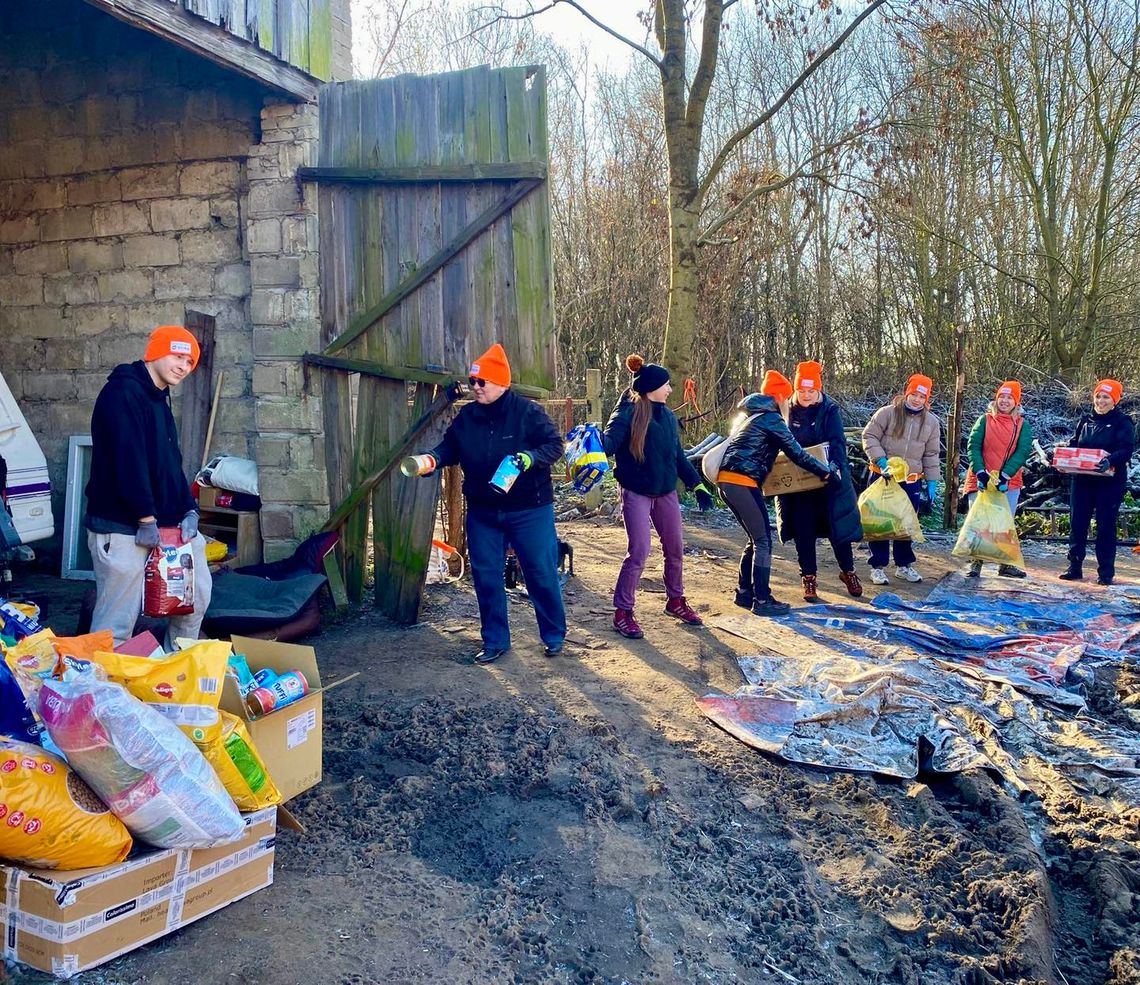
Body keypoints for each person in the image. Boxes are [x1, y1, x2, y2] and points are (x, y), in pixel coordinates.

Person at [408, 342, 567, 663]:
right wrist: (431, 460)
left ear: (502, 383)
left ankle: (554, 635)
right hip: (483, 511)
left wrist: (529, 457)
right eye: (473, 381)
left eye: (483, 382)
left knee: (540, 571)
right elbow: (449, 448)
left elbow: (555, 445)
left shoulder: (527, 413)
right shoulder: (468, 417)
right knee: (486, 575)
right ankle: (495, 640)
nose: (476, 387)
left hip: (529, 509)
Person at [84, 325, 211, 649]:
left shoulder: (159, 398)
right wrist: (145, 518)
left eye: (189, 362)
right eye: (178, 356)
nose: (183, 366)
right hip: (124, 526)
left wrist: (188, 509)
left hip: (166, 524)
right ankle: (107, 692)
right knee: (117, 622)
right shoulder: (122, 393)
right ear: (155, 352)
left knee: (194, 597)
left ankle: (174, 671)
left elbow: (168, 463)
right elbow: (128, 460)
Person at [603, 354, 712, 640]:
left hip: (665, 492)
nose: (671, 389)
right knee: (639, 551)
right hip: (636, 491)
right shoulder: (628, 411)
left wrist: (696, 484)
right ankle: (622, 612)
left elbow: (677, 455)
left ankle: (675, 601)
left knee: (675, 548)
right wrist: (593, 443)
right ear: (652, 387)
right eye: (666, 384)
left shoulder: (667, 415)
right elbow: (609, 442)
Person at [715, 371, 837, 616]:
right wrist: (825, 472)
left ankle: (744, 593)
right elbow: (797, 453)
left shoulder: (751, 417)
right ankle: (762, 600)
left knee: (755, 538)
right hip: (742, 482)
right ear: (780, 397)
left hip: (729, 483)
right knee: (763, 541)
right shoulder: (771, 419)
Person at [776, 360, 864, 602]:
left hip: (827, 479)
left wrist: (834, 467)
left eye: (811, 391)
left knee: (839, 529)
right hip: (797, 484)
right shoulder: (784, 410)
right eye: (801, 391)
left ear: (819, 390)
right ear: (794, 390)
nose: (806, 396)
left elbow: (838, 443)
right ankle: (809, 578)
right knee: (803, 530)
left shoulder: (830, 410)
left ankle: (848, 572)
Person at [861, 373, 941, 585]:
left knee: (905, 523)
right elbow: (869, 436)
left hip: (911, 479)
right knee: (880, 522)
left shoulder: (931, 423)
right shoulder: (887, 413)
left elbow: (932, 454)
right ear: (907, 393)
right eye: (913, 394)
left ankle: (904, 565)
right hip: (883, 476)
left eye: (921, 397)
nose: (916, 399)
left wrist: (932, 480)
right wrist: (880, 460)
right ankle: (877, 566)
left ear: (927, 399)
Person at [1059, 379, 1136, 586]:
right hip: (1083, 480)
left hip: (1109, 482)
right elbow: (1075, 444)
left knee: (1105, 525)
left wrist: (1110, 460)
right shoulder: (1085, 420)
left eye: (1106, 398)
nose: (1101, 401)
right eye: (1098, 396)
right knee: (1078, 523)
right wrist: (1064, 459)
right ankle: (1074, 567)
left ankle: (1106, 572)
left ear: (1115, 401)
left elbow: (1127, 449)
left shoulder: (1123, 422)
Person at [962, 380, 1034, 578]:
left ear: (1016, 402)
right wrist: (980, 471)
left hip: (1008, 482)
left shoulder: (1022, 425)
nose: (1004, 400)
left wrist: (1005, 474)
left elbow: (1023, 451)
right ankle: (975, 562)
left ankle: (1005, 564)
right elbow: (973, 445)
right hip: (982, 479)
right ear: (996, 398)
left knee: (1004, 523)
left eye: (1009, 398)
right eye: (1002, 396)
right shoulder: (984, 420)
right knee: (979, 522)